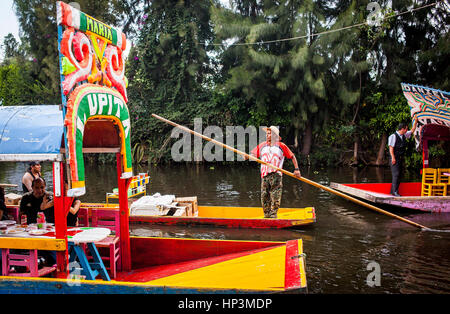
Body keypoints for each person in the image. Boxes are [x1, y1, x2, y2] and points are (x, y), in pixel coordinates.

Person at [247, 126, 301, 218]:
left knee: (275, 196)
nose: (267, 135)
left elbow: (292, 156)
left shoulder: (281, 146)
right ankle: (266, 215)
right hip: (264, 175)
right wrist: (248, 156)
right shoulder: (262, 145)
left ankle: (273, 215)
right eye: (267, 133)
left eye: (270, 133)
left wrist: (296, 169)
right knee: (264, 196)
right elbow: (252, 154)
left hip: (276, 174)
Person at [388, 118, 418, 196]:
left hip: (400, 158)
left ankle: (393, 191)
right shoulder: (393, 136)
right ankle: (395, 192)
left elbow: (412, 130)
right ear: (402, 129)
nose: (406, 130)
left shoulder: (404, 135)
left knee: (399, 174)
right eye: (406, 129)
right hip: (394, 158)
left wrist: (415, 122)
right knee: (396, 174)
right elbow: (391, 148)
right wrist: (393, 158)